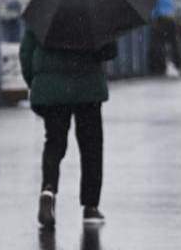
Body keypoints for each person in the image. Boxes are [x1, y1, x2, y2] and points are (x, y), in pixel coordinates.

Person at [19, 29, 118, 227]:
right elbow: (109, 51)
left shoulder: (45, 11)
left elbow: (26, 52)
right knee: (91, 146)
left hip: (52, 88)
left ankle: (48, 190)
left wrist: (37, 82)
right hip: (87, 86)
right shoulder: (94, 12)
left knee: (54, 142)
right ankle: (90, 206)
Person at [147, 0, 181, 77]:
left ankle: (159, 67)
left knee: (158, 44)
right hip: (171, 19)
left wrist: (152, 19)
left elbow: (154, 8)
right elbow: (172, 5)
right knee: (175, 43)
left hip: (160, 19)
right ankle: (180, 65)